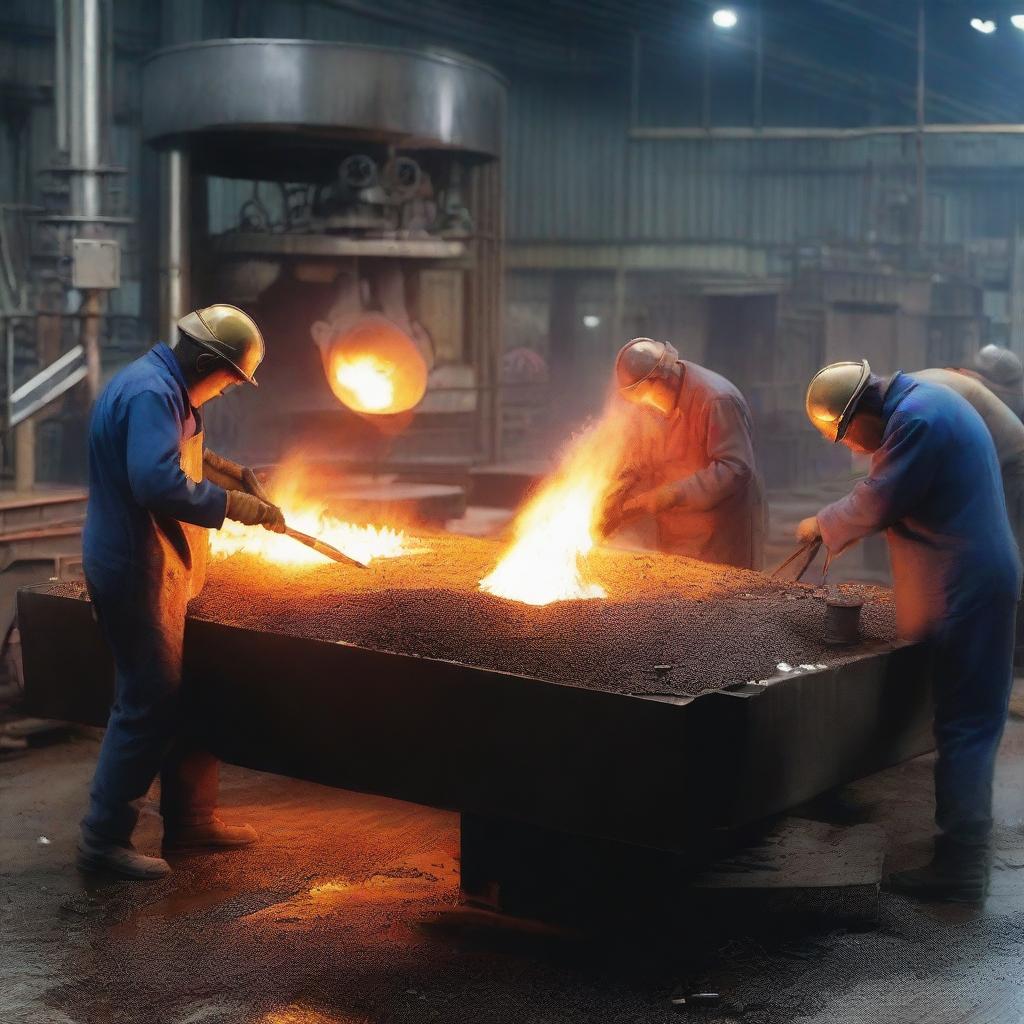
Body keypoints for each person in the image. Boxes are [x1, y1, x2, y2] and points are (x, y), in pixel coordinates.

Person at [78, 304, 287, 880]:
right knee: (146, 702)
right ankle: (103, 838)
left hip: (155, 562)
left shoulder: (164, 386)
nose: (226, 390)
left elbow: (175, 453)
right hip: (134, 564)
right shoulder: (151, 394)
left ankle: (190, 821)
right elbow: (153, 479)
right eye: (230, 379)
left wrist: (227, 472)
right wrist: (232, 506)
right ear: (206, 361)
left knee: (180, 693)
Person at [800, 359, 1021, 901]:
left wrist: (823, 523)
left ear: (860, 414)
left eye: (847, 438)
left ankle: (960, 870)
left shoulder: (918, 420)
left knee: (966, 726)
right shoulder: (922, 401)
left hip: (967, 581)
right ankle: (957, 855)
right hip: (966, 574)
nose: (854, 449)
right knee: (962, 718)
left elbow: (878, 499)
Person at [602, 337, 764, 570]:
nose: (642, 405)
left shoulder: (717, 400)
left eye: (643, 396)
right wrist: (619, 490)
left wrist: (672, 493)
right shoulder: (653, 402)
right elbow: (639, 454)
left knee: (720, 598)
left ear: (662, 378)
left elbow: (734, 468)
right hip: (676, 528)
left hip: (719, 529)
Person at [913, 366, 1024, 664]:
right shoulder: (924, 387)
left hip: (1015, 462)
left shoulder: (921, 404)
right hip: (1004, 457)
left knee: (1011, 545)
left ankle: (1015, 644)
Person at [965, 344, 1024, 421]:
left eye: (983, 372)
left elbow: (1014, 387)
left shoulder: (1005, 361)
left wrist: (986, 383)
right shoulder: (998, 362)